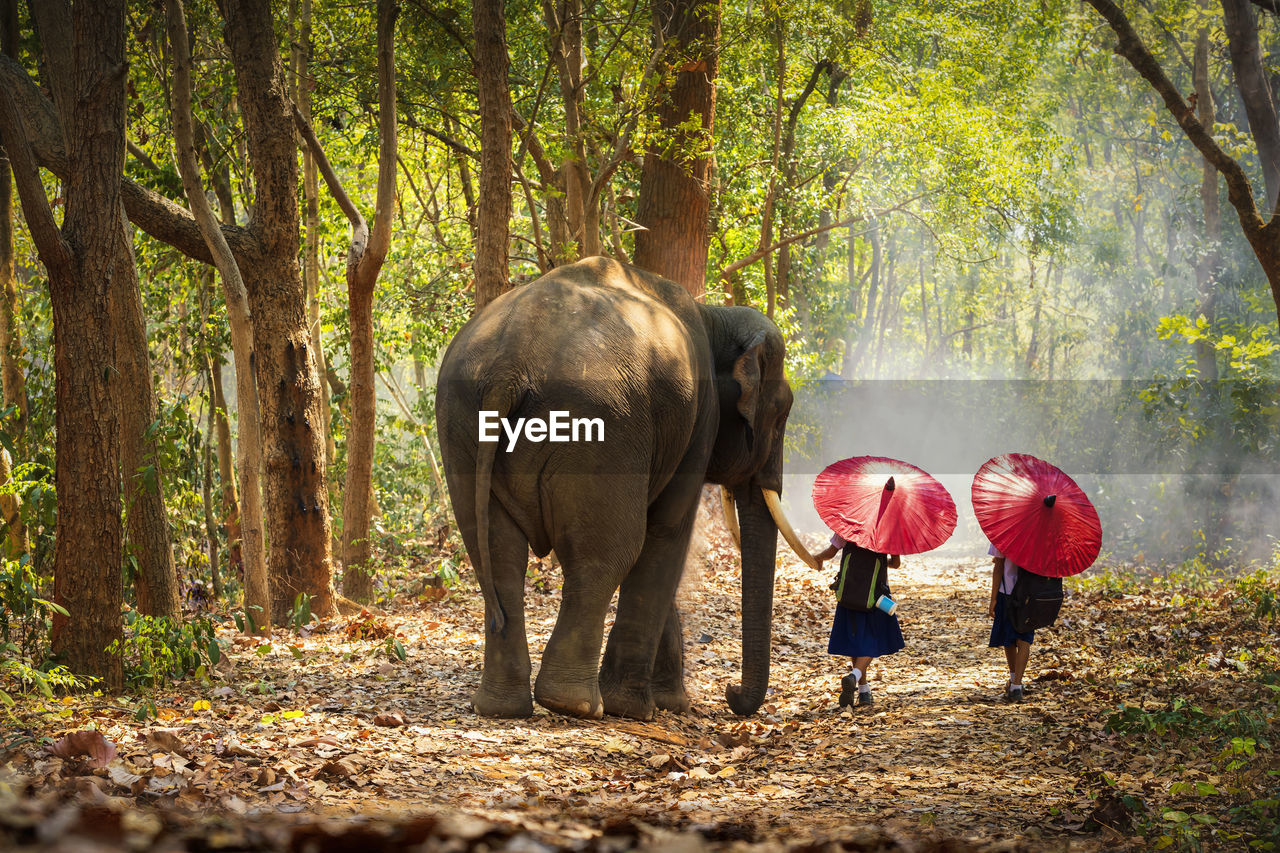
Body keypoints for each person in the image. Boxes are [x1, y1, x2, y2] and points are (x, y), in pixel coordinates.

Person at [812, 533, 904, 708]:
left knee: (856, 641)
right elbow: (896, 564)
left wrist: (817, 558)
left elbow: (830, 552)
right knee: (875, 640)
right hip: (876, 598)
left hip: (849, 594)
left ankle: (863, 691)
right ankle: (854, 676)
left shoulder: (847, 526)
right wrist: (883, 561)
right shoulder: (888, 531)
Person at [986, 543, 1033, 702]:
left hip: (1007, 593)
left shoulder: (1004, 532)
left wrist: (993, 599)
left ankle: (1014, 678)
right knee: (1024, 640)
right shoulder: (1041, 534)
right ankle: (1016, 686)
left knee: (1009, 637)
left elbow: (998, 566)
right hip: (1032, 596)